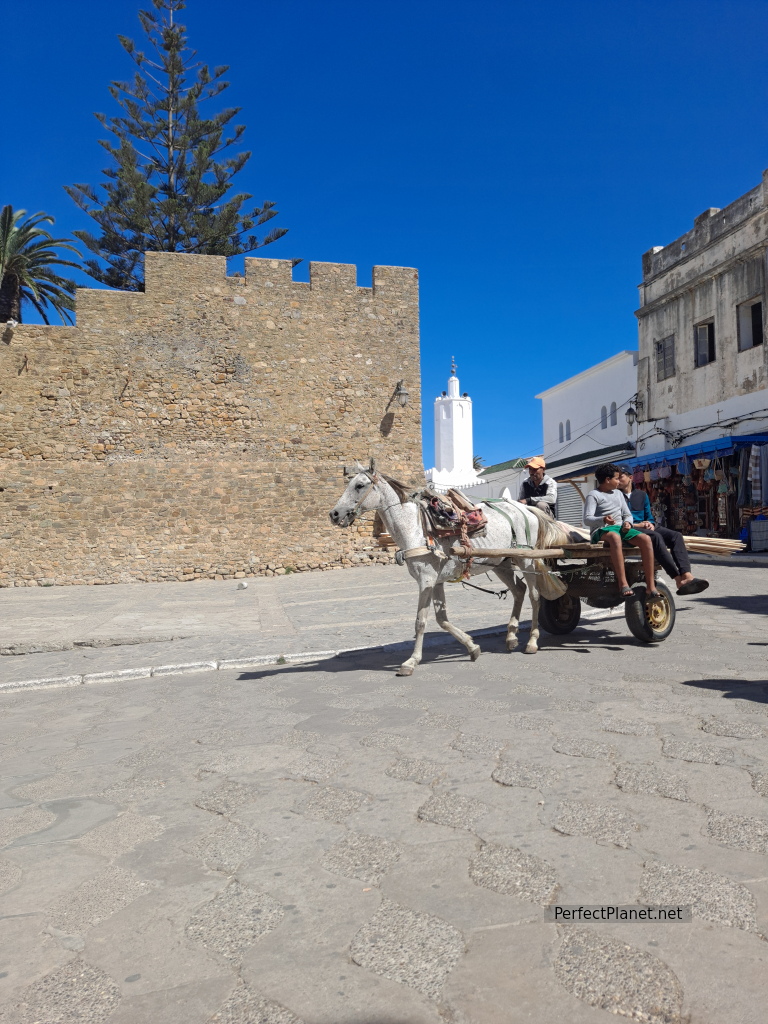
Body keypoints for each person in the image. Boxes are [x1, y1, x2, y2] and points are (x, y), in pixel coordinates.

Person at [616, 466, 709, 596]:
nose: (617, 480)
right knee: (655, 537)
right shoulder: (615, 496)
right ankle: (677, 579)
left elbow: (649, 516)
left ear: (630, 477)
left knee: (676, 536)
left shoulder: (642, 495)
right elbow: (618, 521)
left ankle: (687, 576)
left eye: (620, 476)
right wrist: (639, 525)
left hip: (645, 527)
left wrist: (651, 524)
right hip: (630, 529)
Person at [583, 463, 660, 601]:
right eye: (616, 479)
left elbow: (627, 514)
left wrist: (628, 523)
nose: (619, 481)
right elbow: (587, 519)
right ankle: (623, 584)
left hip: (619, 528)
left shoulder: (618, 494)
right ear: (607, 480)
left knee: (646, 539)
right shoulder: (593, 495)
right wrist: (603, 519)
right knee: (614, 537)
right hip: (601, 530)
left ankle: (651, 587)